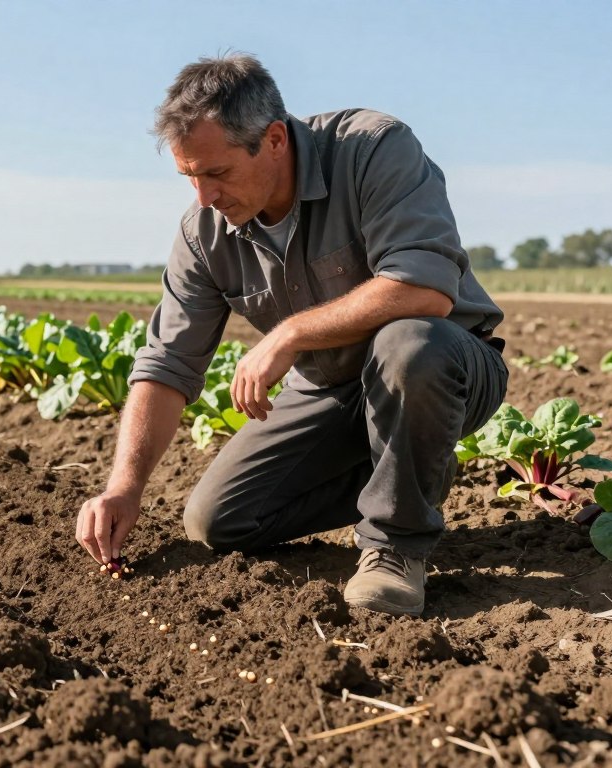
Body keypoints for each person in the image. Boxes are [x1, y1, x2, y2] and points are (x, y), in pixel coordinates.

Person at [74, 53, 508, 617]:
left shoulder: (373, 150)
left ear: (274, 140)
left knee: (408, 343)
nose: (204, 196)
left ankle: (395, 548)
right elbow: (166, 363)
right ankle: (408, 467)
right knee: (218, 520)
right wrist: (123, 487)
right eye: (190, 176)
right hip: (331, 388)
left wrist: (290, 335)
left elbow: (423, 289)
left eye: (217, 172)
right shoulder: (205, 232)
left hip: (443, 366)